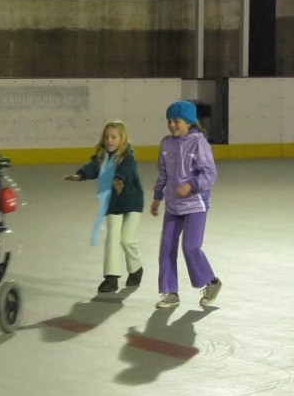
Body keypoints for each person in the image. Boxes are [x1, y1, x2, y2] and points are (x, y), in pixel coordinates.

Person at [150, 100, 222, 308]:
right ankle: (170, 292)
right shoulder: (165, 143)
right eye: (169, 121)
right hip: (173, 206)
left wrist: (191, 185)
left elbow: (210, 174)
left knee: (191, 246)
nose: (172, 125)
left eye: (176, 121)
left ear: (188, 122)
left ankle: (211, 282)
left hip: (195, 205)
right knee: (166, 248)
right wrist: (157, 197)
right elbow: (163, 173)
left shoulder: (198, 142)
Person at [64, 120, 144, 294]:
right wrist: (80, 175)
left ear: (122, 139)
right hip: (113, 203)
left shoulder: (128, 156)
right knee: (112, 238)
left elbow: (128, 170)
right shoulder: (102, 156)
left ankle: (136, 268)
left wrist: (118, 179)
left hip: (132, 202)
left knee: (127, 240)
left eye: (114, 137)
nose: (109, 140)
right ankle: (111, 278)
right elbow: (93, 167)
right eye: (107, 137)